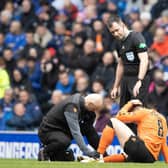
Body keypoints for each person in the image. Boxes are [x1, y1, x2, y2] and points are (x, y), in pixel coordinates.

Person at [84, 99, 168, 163]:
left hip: (143, 149)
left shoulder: (144, 112)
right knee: (127, 156)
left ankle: (98, 154)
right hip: (151, 158)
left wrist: (130, 103)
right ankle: (101, 160)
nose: (134, 120)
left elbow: (119, 116)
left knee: (113, 121)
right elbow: (164, 144)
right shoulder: (163, 119)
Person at [38, 93, 103, 161]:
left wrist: (99, 153)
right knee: (64, 141)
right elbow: (75, 132)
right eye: (95, 109)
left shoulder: (86, 107)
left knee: (89, 129)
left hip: (63, 130)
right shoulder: (72, 106)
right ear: (90, 104)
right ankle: (45, 151)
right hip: (48, 130)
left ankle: (103, 154)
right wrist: (87, 152)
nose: (95, 111)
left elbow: (89, 130)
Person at [108, 15, 150, 107]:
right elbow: (120, 64)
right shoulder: (118, 43)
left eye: (117, 30)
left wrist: (140, 80)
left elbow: (144, 60)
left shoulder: (136, 37)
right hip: (126, 79)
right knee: (124, 109)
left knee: (137, 109)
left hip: (138, 77)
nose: (115, 34)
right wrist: (115, 86)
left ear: (122, 25)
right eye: (112, 32)